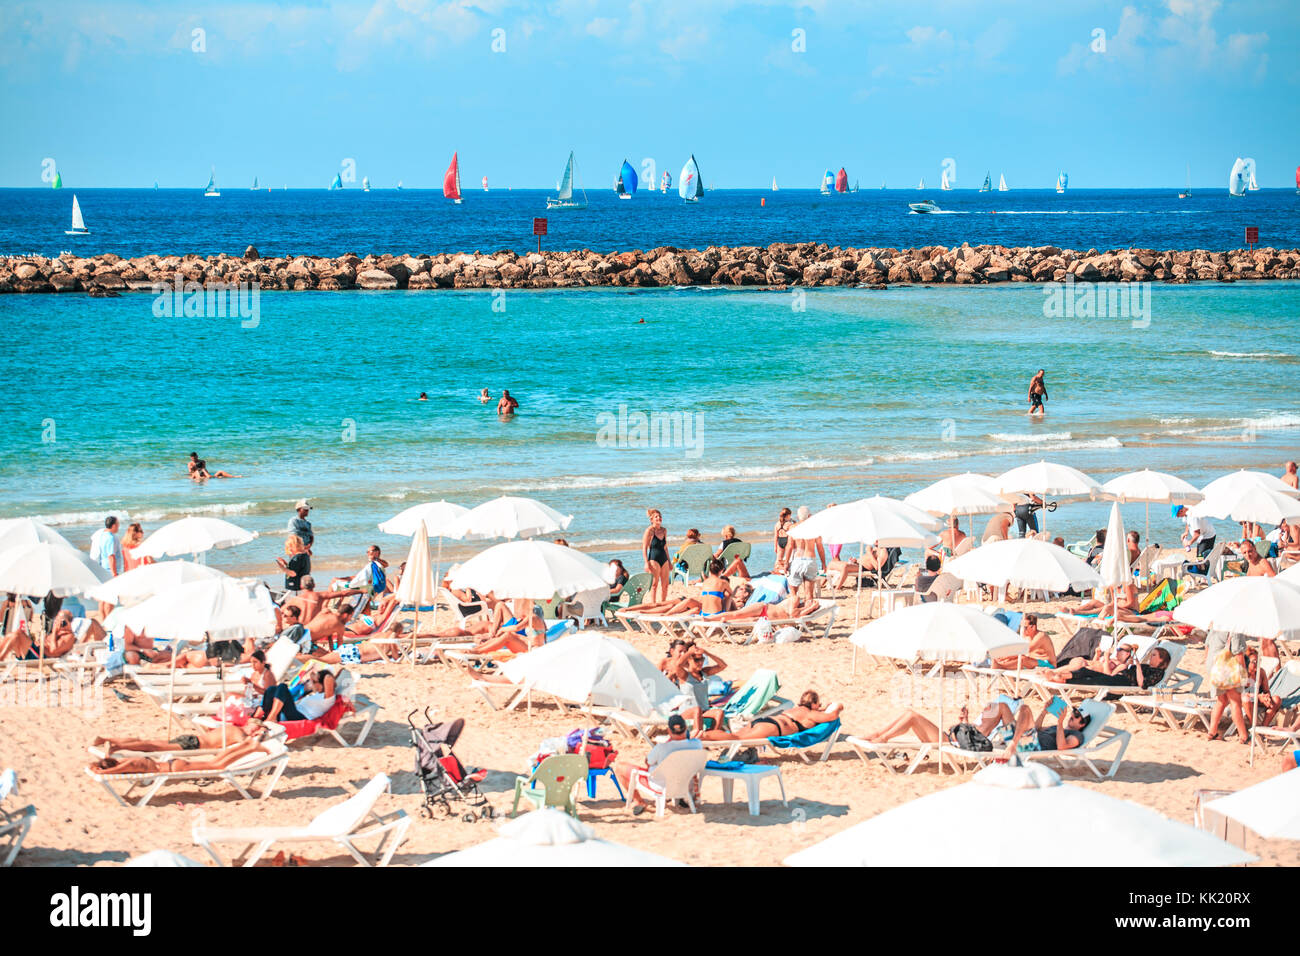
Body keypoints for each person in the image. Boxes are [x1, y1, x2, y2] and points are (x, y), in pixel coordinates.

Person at [615, 714, 704, 815]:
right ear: (686, 728)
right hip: (685, 785)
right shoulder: (697, 744)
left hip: (660, 786)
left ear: (669, 731)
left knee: (620, 767)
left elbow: (647, 762)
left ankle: (638, 801)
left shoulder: (662, 747)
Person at [89, 730, 270, 776]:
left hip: (173, 765)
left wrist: (104, 770)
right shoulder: (130, 762)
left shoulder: (130, 764)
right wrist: (103, 767)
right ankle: (248, 747)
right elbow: (119, 766)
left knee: (218, 763)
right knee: (217, 762)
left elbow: (121, 767)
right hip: (173, 763)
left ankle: (249, 747)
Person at [699, 690, 841, 741]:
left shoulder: (797, 710)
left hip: (765, 721)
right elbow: (832, 716)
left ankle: (702, 735)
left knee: (735, 736)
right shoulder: (810, 714)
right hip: (772, 728)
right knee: (736, 738)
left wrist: (822, 709)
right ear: (814, 704)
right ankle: (702, 736)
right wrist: (839, 706)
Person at [93, 718, 267, 755]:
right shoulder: (238, 732)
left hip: (191, 739)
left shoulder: (230, 727)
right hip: (193, 745)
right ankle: (119, 747)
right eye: (255, 727)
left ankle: (108, 740)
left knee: (148, 742)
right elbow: (249, 745)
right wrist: (259, 736)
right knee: (152, 747)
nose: (255, 730)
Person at [1041, 646, 1170, 688]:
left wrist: (1137, 666)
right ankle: (1060, 675)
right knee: (1085, 671)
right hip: (1117, 676)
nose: (1150, 657)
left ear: (1161, 659)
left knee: (1095, 681)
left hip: (1124, 682)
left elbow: (1142, 684)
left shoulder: (1159, 673)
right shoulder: (1146, 665)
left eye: (1154, 655)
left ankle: (1063, 679)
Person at [258, 668, 336, 723]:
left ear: (323, 684)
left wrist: (318, 675)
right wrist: (314, 677)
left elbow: (328, 677)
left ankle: (272, 717)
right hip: (293, 713)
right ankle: (261, 716)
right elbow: (319, 677)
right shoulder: (317, 694)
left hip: (301, 718)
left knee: (283, 687)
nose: (313, 684)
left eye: (315, 682)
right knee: (272, 689)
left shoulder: (328, 697)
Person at [782, 506, 825, 601]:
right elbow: (820, 547)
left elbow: (789, 547)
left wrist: (786, 564)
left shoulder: (793, 527)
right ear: (809, 516)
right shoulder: (815, 529)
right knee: (809, 595)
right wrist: (823, 563)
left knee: (793, 594)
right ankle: (809, 611)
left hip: (797, 561)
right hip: (810, 560)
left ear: (798, 517)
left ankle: (795, 610)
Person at [991, 613, 1057, 669]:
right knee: (1018, 658)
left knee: (1023, 659)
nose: (1022, 630)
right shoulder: (1026, 636)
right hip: (1034, 663)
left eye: (1025, 627)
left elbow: (1026, 650)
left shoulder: (1041, 636)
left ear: (1033, 627)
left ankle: (1000, 666)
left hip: (1049, 666)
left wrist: (1007, 656)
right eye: (1020, 627)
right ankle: (1000, 665)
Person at [89, 515, 122, 617]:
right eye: (117, 524)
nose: (118, 526)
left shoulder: (102, 535)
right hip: (109, 570)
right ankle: (108, 620)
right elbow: (111, 556)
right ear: (113, 525)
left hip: (103, 568)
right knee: (110, 598)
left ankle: (103, 620)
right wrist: (114, 573)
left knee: (103, 598)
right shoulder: (110, 538)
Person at [642, 508, 670, 604]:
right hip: (653, 559)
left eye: (660, 516)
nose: (659, 518)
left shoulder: (664, 530)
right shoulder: (649, 531)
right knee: (654, 584)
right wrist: (646, 563)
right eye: (656, 517)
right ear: (651, 520)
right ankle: (653, 604)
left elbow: (665, 547)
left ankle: (663, 603)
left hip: (664, 559)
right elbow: (644, 548)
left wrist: (669, 562)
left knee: (665, 585)